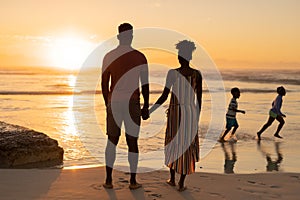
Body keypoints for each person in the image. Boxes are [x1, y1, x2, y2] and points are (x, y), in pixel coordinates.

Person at [101, 23, 149, 190]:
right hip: (132, 103)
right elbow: (145, 85)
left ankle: (108, 180)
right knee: (132, 142)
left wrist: (108, 102)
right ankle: (133, 181)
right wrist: (145, 107)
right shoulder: (140, 57)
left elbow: (104, 83)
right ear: (130, 36)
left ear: (119, 36)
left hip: (114, 102)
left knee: (112, 141)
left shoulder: (109, 56)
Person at [149, 40, 202, 192]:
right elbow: (199, 100)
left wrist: (150, 111)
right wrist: (196, 118)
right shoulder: (196, 75)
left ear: (179, 57)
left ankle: (172, 179)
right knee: (187, 147)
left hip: (175, 113)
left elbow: (164, 96)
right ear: (190, 57)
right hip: (189, 113)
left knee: (173, 144)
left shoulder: (173, 73)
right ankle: (181, 183)